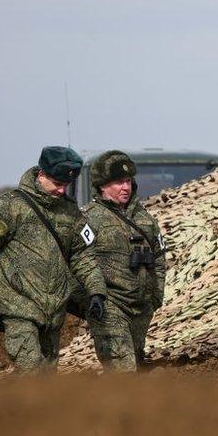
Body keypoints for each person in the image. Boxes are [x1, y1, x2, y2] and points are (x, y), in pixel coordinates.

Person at [0, 146, 107, 373]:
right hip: (17, 305)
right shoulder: (11, 207)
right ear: (41, 175)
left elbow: (82, 255)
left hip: (54, 311)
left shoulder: (70, 212)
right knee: (32, 369)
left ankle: (10, 407)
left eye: (66, 185)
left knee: (45, 379)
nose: (62, 190)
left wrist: (96, 291)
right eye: (57, 184)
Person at [80, 150, 166, 371]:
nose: (126, 187)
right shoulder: (89, 218)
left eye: (128, 181)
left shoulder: (144, 218)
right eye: (119, 182)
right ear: (102, 186)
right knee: (123, 368)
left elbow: (158, 257)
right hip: (111, 306)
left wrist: (156, 294)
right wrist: (92, 298)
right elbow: (79, 260)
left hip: (141, 307)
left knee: (135, 364)